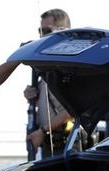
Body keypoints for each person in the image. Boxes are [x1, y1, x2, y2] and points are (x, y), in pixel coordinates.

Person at [24, 8, 74, 158]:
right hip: (48, 144)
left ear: (62, 31)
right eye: (40, 30)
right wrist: (32, 96)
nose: (41, 35)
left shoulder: (71, 66)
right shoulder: (48, 66)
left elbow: (72, 110)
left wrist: (43, 130)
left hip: (66, 145)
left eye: (46, 31)